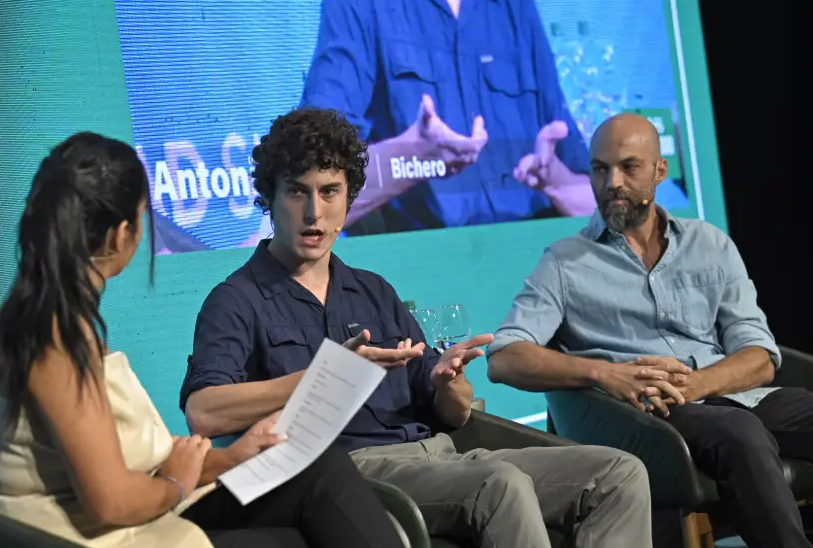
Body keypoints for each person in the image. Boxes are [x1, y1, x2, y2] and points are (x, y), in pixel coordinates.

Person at [181, 106, 655, 548]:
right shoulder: (236, 300)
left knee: (620, 472)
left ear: (349, 198)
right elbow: (204, 414)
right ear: (269, 196)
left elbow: (453, 411)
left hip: (442, 454)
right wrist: (328, 373)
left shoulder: (373, 291)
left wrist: (450, 382)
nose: (313, 213)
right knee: (500, 485)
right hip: (351, 477)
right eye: (296, 192)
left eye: (329, 192)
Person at [0, 132, 406, 548]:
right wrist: (175, 483)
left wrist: (231, 457)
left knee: (309, 499)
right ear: (122, 234)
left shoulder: (49, 323)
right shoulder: (55, 338)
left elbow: (132, 459)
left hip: (145, 514)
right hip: (118, 534)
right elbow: (112, 502)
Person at [486, 112, 813, 548]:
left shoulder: (709, 243)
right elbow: (504, 357)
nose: (612, 182)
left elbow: (759, 355)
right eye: (599, 169)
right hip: (649, 414)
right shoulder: (565, 262)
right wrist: (604, 373)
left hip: (727, 393)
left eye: (629, 167)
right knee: (740, 434)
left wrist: (698, 384)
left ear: (660, 171)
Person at [299, 0, 597, 236]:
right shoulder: (360, 6)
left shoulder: (515, 7)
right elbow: (309, 188)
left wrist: (554, 179)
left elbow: (591, 202)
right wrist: (411, 158)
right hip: (423, 269)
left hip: (536, 262)